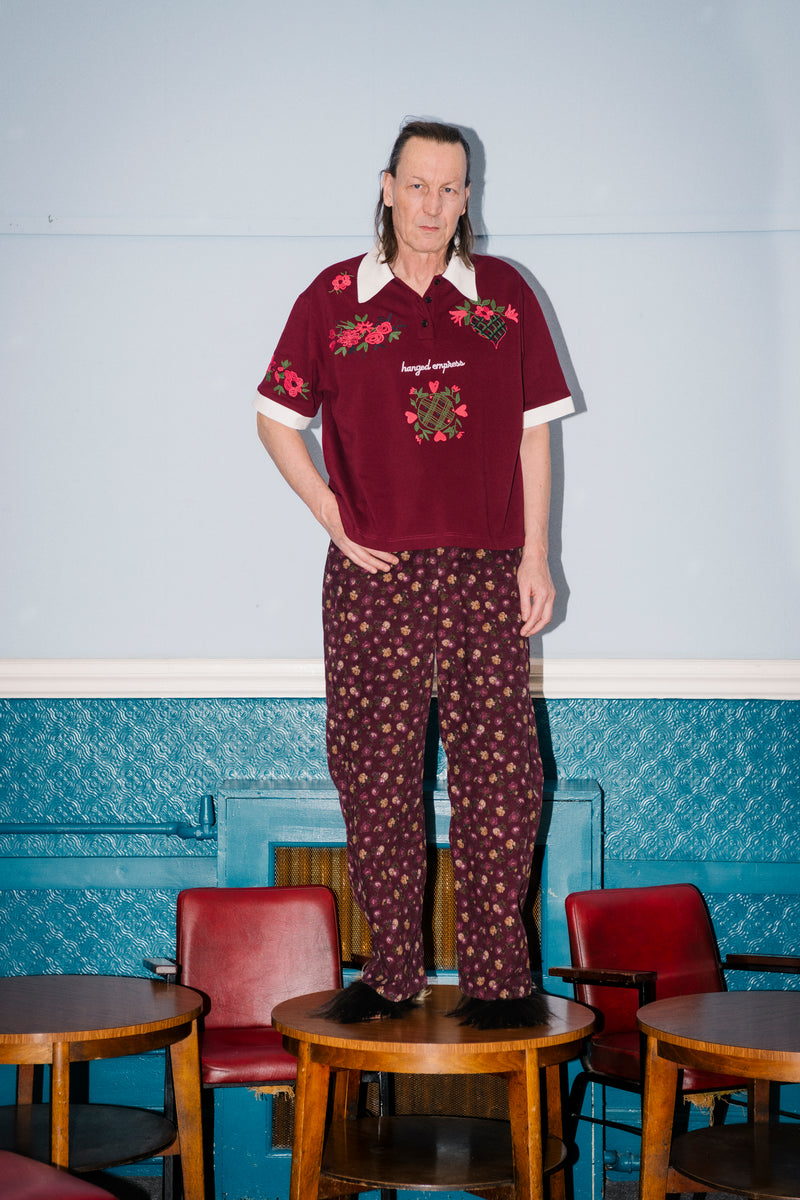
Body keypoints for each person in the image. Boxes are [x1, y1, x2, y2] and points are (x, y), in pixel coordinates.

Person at [254, 119, 574, 1028]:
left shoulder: (505, 295)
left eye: (451, 187)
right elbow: (275, 417)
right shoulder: (334, 298)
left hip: (486, 569)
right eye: (419, 185)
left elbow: (535, 432)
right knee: (376, 776)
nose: (434, 205)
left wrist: (537, 553)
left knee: (502, 779)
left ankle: (499, 982)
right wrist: (332, 515)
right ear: (388, 188)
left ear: (468, 196)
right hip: (376, 573)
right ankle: (391, 975)